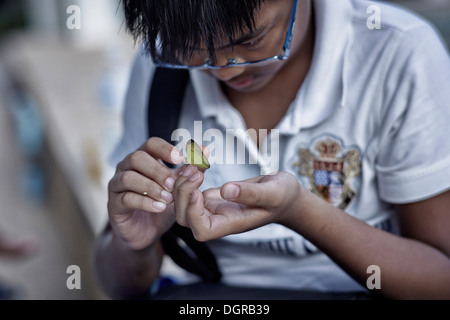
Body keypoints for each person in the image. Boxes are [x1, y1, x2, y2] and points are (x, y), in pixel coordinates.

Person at [94, 0, 450, 300]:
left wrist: (302, 212)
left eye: (253, 40)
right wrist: (135, 245)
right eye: (197, 50)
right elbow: (121, 288)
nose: (224, 71)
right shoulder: (163, 67)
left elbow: (441, 279)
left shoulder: (397, 53)